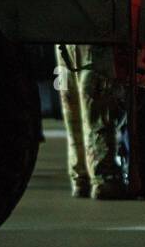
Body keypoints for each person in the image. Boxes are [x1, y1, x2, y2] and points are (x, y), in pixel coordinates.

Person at [54, 44, 126, 199]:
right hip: (92, 41)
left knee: (72, 114)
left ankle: (80, 177)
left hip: (63, 42)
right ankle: (102, 178)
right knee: (96, 113)